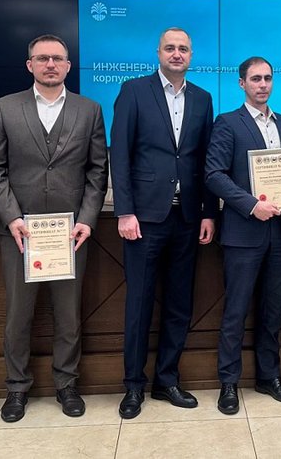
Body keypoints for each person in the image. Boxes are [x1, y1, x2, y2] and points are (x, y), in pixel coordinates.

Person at [0, 34, 108, 423]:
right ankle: (17, 387)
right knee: (18, 315)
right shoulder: (5, 107)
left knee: (68, 314)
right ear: (30, 65)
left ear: (68, 65)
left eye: (57, 58)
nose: (50, 64)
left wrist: (87, 219)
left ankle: (66, 384)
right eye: (42, 58)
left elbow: (97, 170)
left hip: (71, 234)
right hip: (20, 233)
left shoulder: (90, 110)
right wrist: (11, 217)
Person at [110, 28, 217, 419]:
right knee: (139, 304)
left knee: (179, 303)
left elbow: (207, 160)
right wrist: (124, 211)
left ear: (191, 55)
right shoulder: (134, 91)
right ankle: (133, 386)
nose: (176, 54)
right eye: (170, 48)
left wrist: (209, 212)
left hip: (186, 217)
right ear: (158, 52)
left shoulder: (203, 99)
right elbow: (120, 154)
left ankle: (167, 380)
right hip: (144, 219)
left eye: (183, 49)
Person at [205, 56, 281, 415]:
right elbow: (214, 175)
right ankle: (228, 382)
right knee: (236, 311)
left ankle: (269, 376)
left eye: (267, 78)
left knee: (273, 309)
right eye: (255, 79)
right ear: (242, 84)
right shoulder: (227, 123)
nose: (263, 85)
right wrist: (251, 205)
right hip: (243, 232)